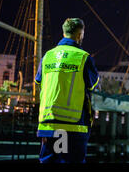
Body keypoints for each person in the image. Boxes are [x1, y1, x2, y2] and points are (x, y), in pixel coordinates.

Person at [34, 18, 99, 163]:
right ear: (79, 34)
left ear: (64, 33)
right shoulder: (83, 58)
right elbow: (92, 84)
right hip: (73, 126)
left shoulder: (47, 57)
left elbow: (39, 81)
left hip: (48, 125)